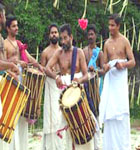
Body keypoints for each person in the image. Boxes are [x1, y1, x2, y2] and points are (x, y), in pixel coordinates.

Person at [46, 24, 96, 150]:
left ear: (71, 37)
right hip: (65, 96)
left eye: (65, 38)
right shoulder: (58, 53)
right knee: (67, 131)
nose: (62, 41)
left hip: (78, 93)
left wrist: (79, 79)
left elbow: (86, 75)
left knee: (83, 124)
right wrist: (56, 77)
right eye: (61, 38)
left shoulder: (78, 52)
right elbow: (47, 68)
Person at [3, 15, 43, 150]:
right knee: (12, 114)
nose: (16, 28)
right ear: (8, 28)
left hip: (22, 79)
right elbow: (4, 63)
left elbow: (29, 58)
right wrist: (17, 63)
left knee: (22, 114)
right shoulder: (4, 43)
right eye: (13, 26)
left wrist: (38, 66)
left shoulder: (19, 44)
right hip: (10, 81)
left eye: (17, 25)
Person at [99, 13, 135, 150]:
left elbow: (132, 61)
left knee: (121, 110)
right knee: (110, 111)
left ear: (118, 26)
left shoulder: (124, 41)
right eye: (109, 25)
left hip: (120, 80)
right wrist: (106, 67)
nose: (110, 28)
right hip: (111, 80)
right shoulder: (106, 43)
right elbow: (104, 65)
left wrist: (123, 65)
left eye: (113, 25)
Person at [41, 24, 66, 150]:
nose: (54, 34)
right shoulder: (45, 52)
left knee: (61, 114)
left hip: (61, 86)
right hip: (50, 86)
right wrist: (54, 76)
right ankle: (51, 146)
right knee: (51, 115)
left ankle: (61, 144)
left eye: (56, 32)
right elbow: (43, 70)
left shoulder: (62, 51)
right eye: (52, 33)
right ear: (49, 35)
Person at [83, 24, 104, 150]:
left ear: (96, 36)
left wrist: (95, 69)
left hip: (95, 87)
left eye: (92, 34)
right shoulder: (83, 51)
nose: (90, 36)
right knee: (86, 114)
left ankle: (97, 146)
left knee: (96, 114)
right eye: (89, 34)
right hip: (85, 85)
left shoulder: (99, 52)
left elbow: (104, 70)